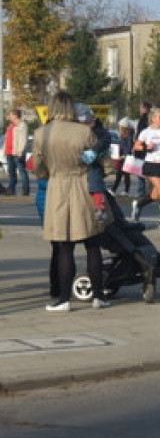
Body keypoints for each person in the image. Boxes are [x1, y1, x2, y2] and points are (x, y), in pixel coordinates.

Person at [32, 91, 107, 311]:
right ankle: (98, 296)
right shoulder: (84, 132)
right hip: (83, 186)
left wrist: (50, 172)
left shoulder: (41, 134)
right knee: (92, 243)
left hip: (57, 186)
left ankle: (64, 299)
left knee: (64, 245)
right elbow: (104, 162)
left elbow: (38, 168)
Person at [131, 107, 160, 221]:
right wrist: (147, 147)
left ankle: (138, 205)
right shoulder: (146, 132)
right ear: (153, 119)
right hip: (151, 164)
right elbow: (136, 146)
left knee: (154, 196)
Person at [4, 108, 29, 196]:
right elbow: (7, 139)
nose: (9, 117)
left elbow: (23, 140)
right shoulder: (10, 126)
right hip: (9, 152)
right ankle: (11, 190)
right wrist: (5, 150)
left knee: (22, 171)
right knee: (11, 172)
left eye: (10, 115)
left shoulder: (22, 125)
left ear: (15, 115)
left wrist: (21, 151)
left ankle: (25, 191)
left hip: (17, 152)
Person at [111, 117, 136, 195]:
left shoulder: (128, 134)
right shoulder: (123, 134)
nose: (119, 127)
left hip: (125, 157)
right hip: (122, 156)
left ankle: (118, 190)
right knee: (122, 174)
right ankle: (116, 190)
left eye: (120, 126)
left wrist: (125, 155)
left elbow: (129, 145)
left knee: (124, 174)